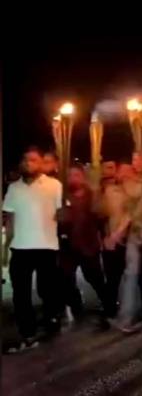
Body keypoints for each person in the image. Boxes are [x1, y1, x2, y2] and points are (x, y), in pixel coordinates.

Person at [3, 147, 63, 351]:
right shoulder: (14, 188)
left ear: (41, 163)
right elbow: (10, 220)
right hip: (20, 248)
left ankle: (51, 320)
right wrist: (6, 246)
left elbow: (61, 214)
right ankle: (27, 333)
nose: (29, 163)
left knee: (48, 290)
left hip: (46, 247)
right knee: (21, 294)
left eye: (34, 160)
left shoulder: (54, 185)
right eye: (26, 160)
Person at [60, 163, 112, 321]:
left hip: (88, 245)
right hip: (68, 246)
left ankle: (108, 304)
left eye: (76, 175)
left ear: (83, 177)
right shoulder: (63, 196)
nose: (73, 178)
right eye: (70, 175)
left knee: (95, 278)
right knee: (66, 278)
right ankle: (76, 305)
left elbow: (101, 214)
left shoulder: (92, 194)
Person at [115, 151, 142, 333]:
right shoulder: (128, 184)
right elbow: (128, 213)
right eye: (133, 159)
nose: (136, 163)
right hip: (136, 233)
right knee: (131, 273)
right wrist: (118, 232)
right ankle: (126, 318)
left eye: (140, 159)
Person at [99, 162, 134, 318]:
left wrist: (117, 234)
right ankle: (110, 308)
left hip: (129, 239)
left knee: (132, 276)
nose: (125, 174)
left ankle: (136, 308)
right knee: (112, 276)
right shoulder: (110, 190)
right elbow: (103, 215)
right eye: (122, 171)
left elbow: (130, 215)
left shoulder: (134, 192)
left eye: (128, 171)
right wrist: (108, 236)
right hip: (111, 240)